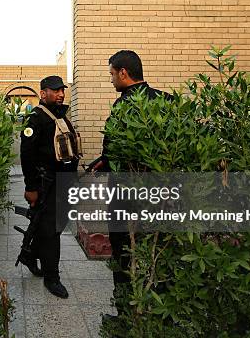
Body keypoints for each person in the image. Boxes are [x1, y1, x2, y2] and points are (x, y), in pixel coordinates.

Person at [91, 50, 171, 313]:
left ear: (123, 73)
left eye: (112, 74)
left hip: (126, 199)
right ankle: (157, 313)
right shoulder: (166, 100)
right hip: (160, 196)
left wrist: (108, 159)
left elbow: (115, 149)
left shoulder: (125, 105)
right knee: (156, 255)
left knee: (125, 255)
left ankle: (126, 315)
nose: (112, 80)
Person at [19, 75, 80, 298]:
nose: (61, 94)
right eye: (55, 91)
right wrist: (31, 187)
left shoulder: (60, 116)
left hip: (63, 183)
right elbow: (26, 155)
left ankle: (30, 254)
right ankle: (52, 278)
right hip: (46, 185)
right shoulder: (35, 119)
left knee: (56, 225)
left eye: (62, 90)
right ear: (43, 93)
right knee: (51, 231)